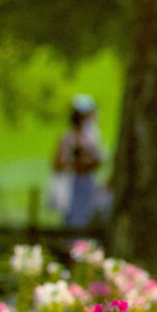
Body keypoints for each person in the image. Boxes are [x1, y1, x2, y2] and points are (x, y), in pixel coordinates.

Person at [52, 95, 104, 229]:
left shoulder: (92, 136)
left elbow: (98, 161)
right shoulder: (68, 137)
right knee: (74, 218)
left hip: (86, 182)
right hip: (72, 183)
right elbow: (59, 164)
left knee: (86, 216)